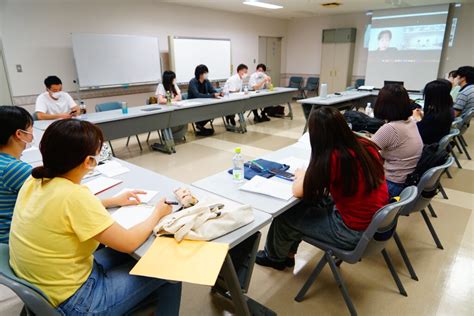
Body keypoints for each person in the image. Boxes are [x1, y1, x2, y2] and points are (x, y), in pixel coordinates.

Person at [9, 119, 181, 315]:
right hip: (78, 301)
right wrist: (158, 212)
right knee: (170, 268)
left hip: (48, 285)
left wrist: (112, 201)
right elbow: (128, 243)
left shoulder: (34, 179)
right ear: (89, 162)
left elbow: (62, 211)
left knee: (133, 255)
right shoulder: (75, 196)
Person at [255, 106, 389, 270]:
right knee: (312, 203)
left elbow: (297, 191)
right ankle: (288, 255)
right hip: (372, 223)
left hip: (351, 232)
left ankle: (274, 258)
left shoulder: (333, 158)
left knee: (286, 217)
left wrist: (303, 175)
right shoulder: (364, 145)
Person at [372, 84, 423, 197]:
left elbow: (364, 152)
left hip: (392, 185)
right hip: (405, 183)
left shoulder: (391, 128)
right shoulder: (410, 121)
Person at [0, 106, 33, 243]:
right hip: (11, 240)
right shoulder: (15, 169)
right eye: (30, 129)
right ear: (19, 134)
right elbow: (58, 202)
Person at [187, 64, 223, 136]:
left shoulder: (206, 81)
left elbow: (212, 90)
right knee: (209, 111)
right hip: (194, 105)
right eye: (205, 73)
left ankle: (199, 124)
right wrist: (212, 95)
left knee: (215, 111)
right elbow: (197, 95)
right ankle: (199, 124)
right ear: (200, 74)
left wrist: (218, 93)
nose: (206, 74)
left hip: (204, 103)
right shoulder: (192, 82)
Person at [417, 80, 454, 145]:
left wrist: (417, 118)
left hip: (425, 145)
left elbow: (418, 132)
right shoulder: (447, 109)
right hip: (434, 141)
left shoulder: (435, 117)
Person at [156, 71, 187, 140]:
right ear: (169, 79)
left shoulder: (174, 85)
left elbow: (180, 97)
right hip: (164, 110)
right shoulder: (161, 86)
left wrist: (173, 99)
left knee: (183, 116)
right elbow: (161, 100)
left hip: (174, 107)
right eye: (174, 78)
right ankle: (169, 136)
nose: (175, 79)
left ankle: (178, 135)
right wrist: (173, 99)